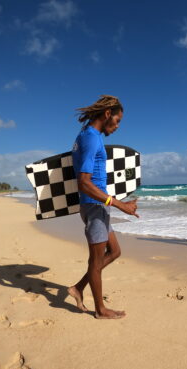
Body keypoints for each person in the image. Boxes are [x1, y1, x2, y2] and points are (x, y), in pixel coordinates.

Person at [67, 95, 139, 320]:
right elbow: (84, 182)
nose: (117, 126)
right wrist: (119, 204)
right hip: (95, 206)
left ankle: (78, 287)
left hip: (97, 205)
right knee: (96, 261)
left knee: (114, 251)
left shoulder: (88, 136)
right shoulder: (91, 138)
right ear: (107, 114)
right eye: (117, 120)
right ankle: (100, 309)